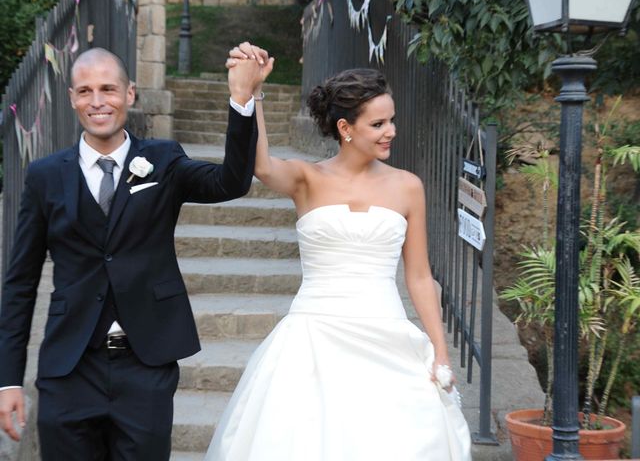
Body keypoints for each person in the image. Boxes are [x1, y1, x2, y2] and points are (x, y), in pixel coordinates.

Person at [0, 43, 268, 460]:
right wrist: (8, 380)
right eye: (85, 91)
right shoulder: (44, 176)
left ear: (129, 94)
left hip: (146, 364)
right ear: (72, 98)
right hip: (69, 368)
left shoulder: (163, 159)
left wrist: (241, 99)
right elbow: (20, 283)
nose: (97, 101)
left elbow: (231, 182)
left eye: (108, 89)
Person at [205, 54, 471, 459]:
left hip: (386, 334)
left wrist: (440, 350)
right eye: (378, 124)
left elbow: (418, 276)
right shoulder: (307, 178)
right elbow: (260, 165)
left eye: (391, 121)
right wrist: (254, 93)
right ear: (345, 128)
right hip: (314, 336)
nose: (390, 132)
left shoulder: (408, 187)